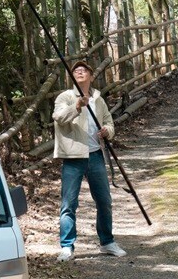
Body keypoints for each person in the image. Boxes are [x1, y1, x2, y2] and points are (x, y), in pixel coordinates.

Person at [52, 60, 127, 261]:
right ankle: (67, 246)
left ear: (91, 76)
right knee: (69, 203)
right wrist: (77, 106)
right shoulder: (65, 97)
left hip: (95, 155)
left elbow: (109, 122)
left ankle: (107, 242)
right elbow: (58, 117)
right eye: (76, 70)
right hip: (73, 157)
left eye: (84, 70)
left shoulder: (98, 99)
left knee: (104, 201)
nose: (80, 72)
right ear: (72, 76)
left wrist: (107, 131)